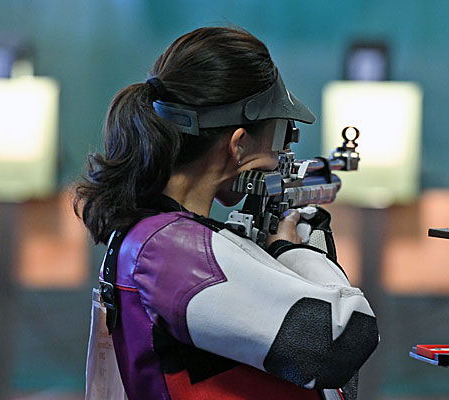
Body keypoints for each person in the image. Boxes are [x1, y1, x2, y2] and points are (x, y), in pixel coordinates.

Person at [75, 26, 379, 400]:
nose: (279, 158)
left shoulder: (160, 238)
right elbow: (345, 340)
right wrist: (296, 252)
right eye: (278, 138)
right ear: (238, 145)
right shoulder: (172, 250)